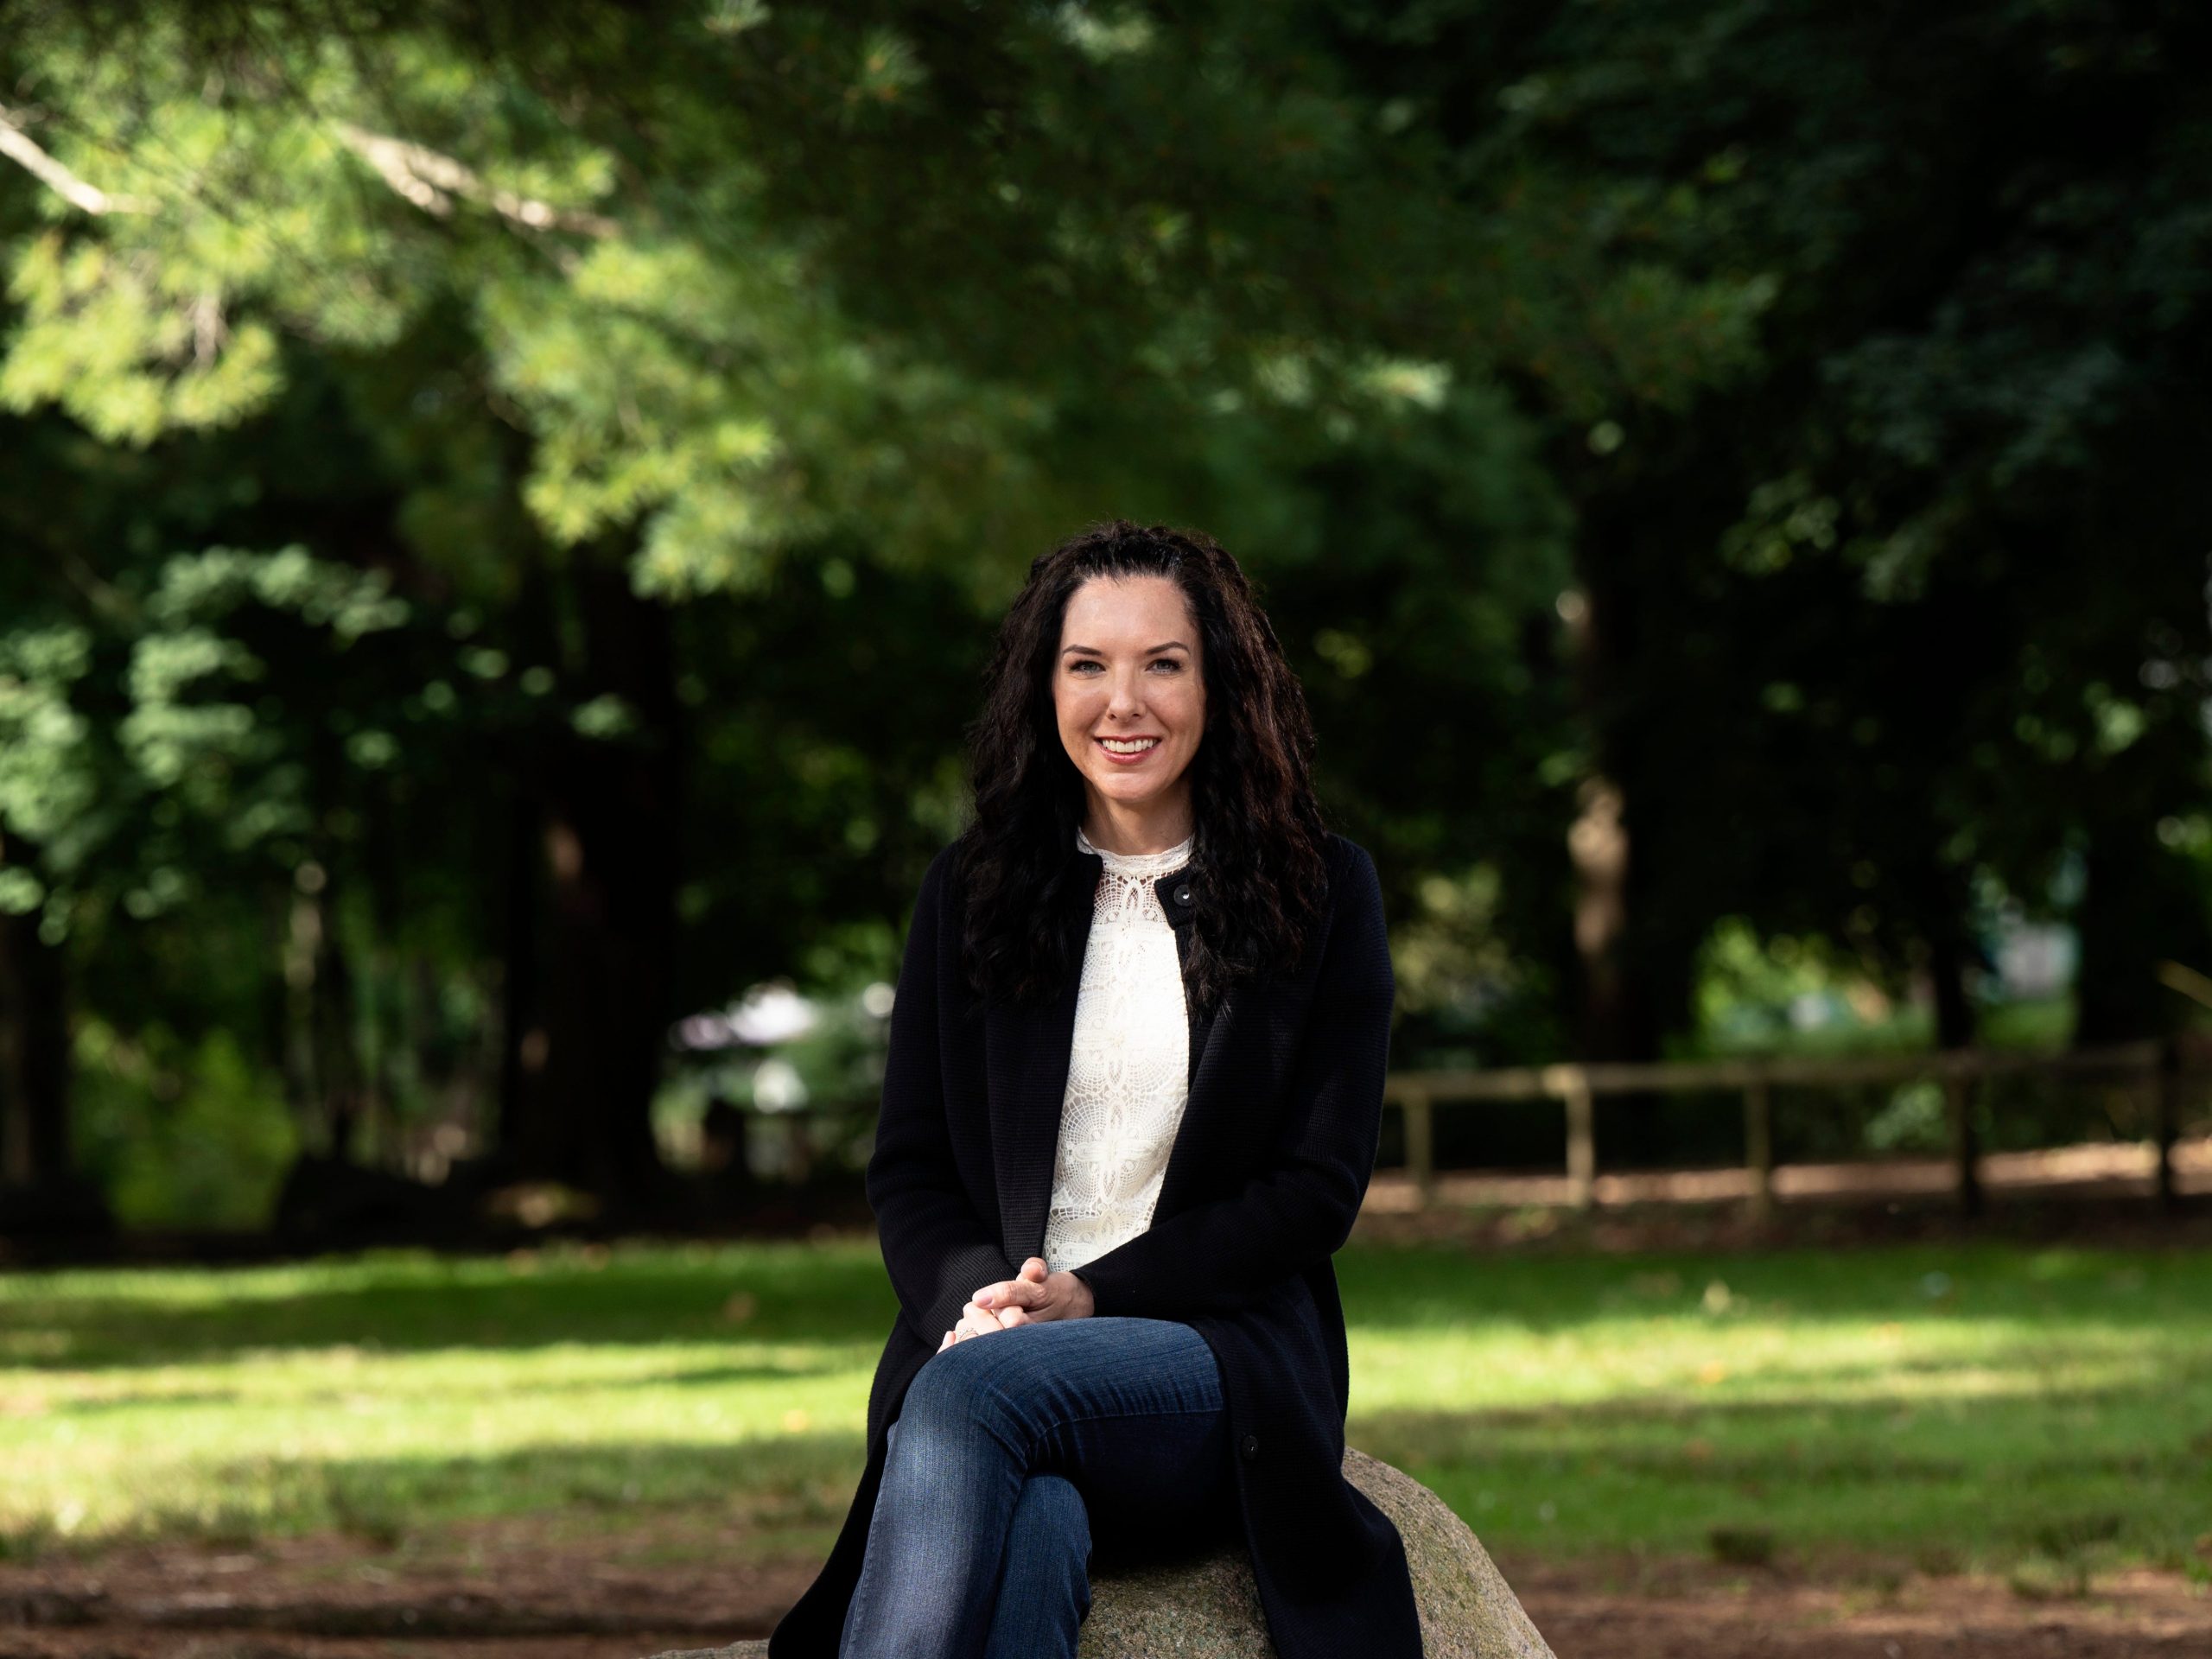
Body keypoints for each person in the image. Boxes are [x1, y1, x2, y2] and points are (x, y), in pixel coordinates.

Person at [767, 520, 1423, 1659]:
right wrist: (984, 1303)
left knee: (971, 1401)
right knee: (1032, 1530)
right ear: (1044, 686)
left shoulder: (1320, 893)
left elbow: (1314, 1192)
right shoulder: (971, 894)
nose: (1124, 702)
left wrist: (1090, 1299)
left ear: (1220, 683)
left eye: (1162, 663)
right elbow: (911, 1171)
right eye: (1088, 666)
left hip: (1211, 1366)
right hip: (993, 1349)